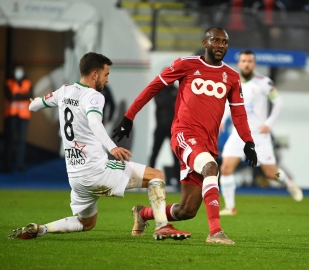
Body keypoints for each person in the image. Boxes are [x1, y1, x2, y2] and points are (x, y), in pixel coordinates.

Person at [8, 52, 190, 241]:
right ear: (94, 74)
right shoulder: (94, 96)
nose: (107, 79)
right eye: (106, 74)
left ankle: (41, 229)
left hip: (75, 177)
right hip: (96, 169)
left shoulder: (64, 91)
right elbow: (95, 123)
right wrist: (113, 148)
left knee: (87, 223)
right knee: (156, 176)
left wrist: (34, 103)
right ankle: (162, 226)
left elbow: (33, 106)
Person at [113, 27, 258, 244]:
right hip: (184, 133)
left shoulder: (232, 76)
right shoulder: (186, 64)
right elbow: (153, 87)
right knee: (212, 168)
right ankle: (215, 232)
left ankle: (142, 214)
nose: (220, 46)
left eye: (224, 42)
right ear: (205, 42)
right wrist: (129, 116)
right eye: (215, 41)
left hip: (208, 143)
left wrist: (249, 141)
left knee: (187, 210)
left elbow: (239, 112)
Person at [218, 50, 303, 216]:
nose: (247, 64)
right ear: (240, 63)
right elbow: (230, 104)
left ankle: (286, 180)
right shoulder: (232, 81)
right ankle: (230, 207)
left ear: (254, 64)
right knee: (226, 168)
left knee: (271, 173)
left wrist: (268, 124)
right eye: (244, 61)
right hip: (239, 134)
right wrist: (222, 119)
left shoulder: (264, 82)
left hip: (259, 136)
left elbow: (279, 104)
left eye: (250, 61)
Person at [149, 83, 181, 186]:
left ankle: (178, 181)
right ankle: (149, 177)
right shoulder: (159, 89)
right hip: (160, 127)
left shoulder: (176, 90)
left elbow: (179, 105)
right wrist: (171, 102)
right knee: (154, 153)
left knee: (176, 155)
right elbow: (161, 103)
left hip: (172, 128)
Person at [3, 64, 33, 172]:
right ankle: (7, 165)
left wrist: (17, 96)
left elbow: (30, 96)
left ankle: (19, 164)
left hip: (24, 116)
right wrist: (22, 96)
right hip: (11, 115)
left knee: (21, 141)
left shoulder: (27, 82)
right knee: (10, 140)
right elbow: (9, 96)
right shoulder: (9, 82)